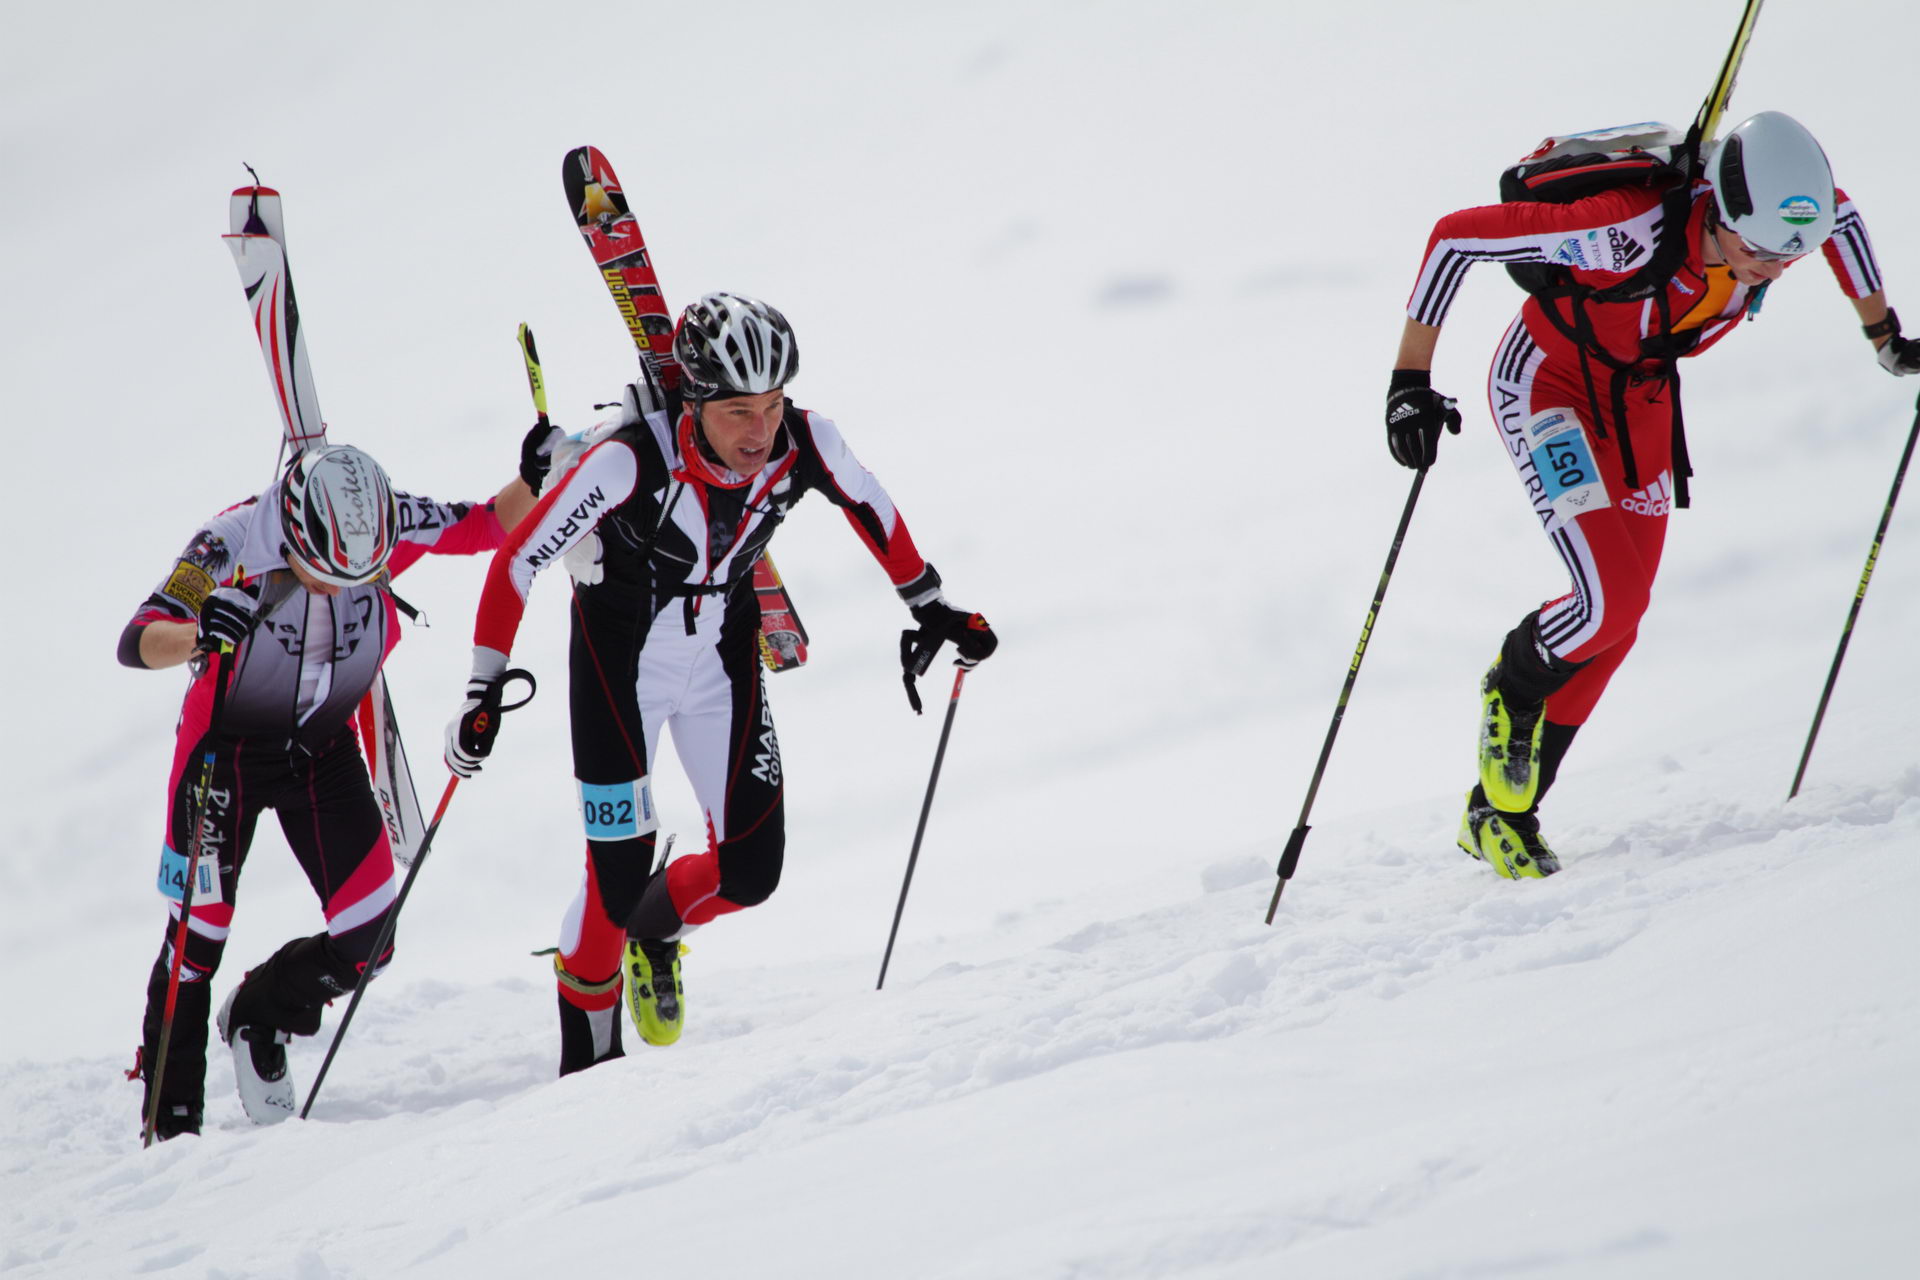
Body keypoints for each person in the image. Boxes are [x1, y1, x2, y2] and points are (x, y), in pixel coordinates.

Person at [443, 292, 997, 1076]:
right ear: (696, 400)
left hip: (721, 661)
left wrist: (929, 603)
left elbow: (870, 504)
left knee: (751, 871)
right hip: (619, 663)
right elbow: (517, 562)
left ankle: (654, 932)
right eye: (738, 410)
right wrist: (482, 688)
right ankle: (588, 1055)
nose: (760, 431)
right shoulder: (626, 460)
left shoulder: (806, 441)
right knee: (617, 873)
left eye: (773, 406)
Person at [1386, 110, 1919, 879]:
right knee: (1604, 603)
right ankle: (1513, 684)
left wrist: (1884, 336)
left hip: (1639, 402)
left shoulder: (1786, 217)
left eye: (1786, 258)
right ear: (1723, 211)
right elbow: (1454, 238)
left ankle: (1499, 813)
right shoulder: (1621, 229)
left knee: (1619, 622)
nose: (1769, 270)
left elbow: (1844, 219)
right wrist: (1410, 384)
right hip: (1549, 387)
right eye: (1757, 252)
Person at [120, 443, 536, 1138]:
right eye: (320, 573)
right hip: (225, 756)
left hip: (322, 749)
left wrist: (537, 474)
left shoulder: (386, 520)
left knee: (371, 938)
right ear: (293, 527)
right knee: (197, 943)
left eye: (357, 577)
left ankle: (260, 1012)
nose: (338, 588)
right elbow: (138, 638)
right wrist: (196, 635)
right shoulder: (230, 539)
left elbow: (488, 524)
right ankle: (172, 1125)